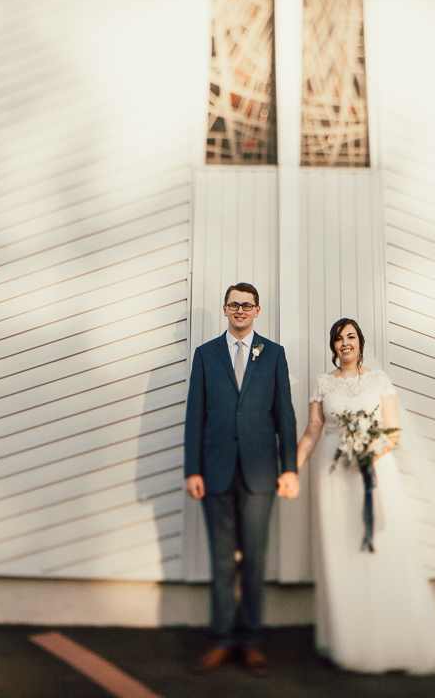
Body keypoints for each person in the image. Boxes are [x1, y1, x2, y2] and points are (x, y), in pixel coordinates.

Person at [296, 318, 435, 674]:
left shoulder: (379, 380)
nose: (344, 343)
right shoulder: (322, 384)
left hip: (373, 471)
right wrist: (291, 467)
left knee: (379, 548)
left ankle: (391, 635)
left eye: (350, 337)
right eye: (337, 338)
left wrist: (367, 452)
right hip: (333, 478)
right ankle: (350, 639)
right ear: (333, 347)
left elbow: (392, 432)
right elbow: (313, 430)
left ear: (361, 342)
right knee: (342, 553)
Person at [183, 283, 299, 675]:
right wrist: (192, 469)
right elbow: (194, 417)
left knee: (253, 559)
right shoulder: (205, 355)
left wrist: (290, 469)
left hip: (260, 473)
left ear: (258, 310)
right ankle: (221, 639)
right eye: (234, 304)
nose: (240, 310)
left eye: (247, 305)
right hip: (214, 472)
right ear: (225, 309)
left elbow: (285, 415)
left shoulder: (274, 354)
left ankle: (249, 640)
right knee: (221, 561)